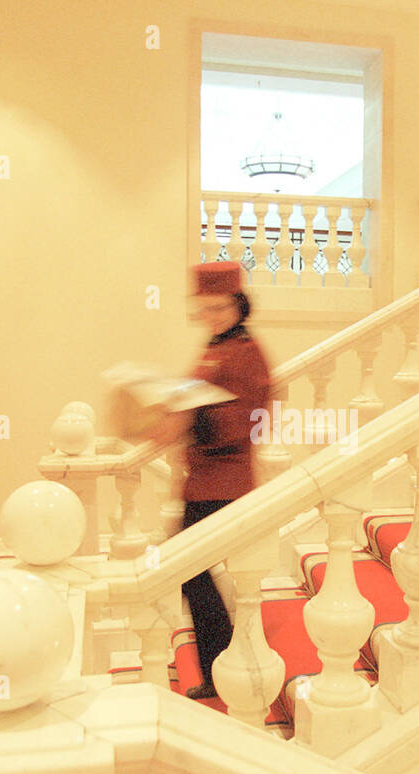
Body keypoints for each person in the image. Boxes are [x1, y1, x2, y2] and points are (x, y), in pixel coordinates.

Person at [145, 261, 272, 700]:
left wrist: (191, 421)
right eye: (205, 308)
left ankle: (222, 665)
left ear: (238, 304)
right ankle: (220, 661)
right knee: (191, 572)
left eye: (220, 307)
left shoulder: (247, 352)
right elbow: (198, 395)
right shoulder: (215, 345)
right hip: (202, 480)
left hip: (226, 481)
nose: (213, 316)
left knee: (190, 570)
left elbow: (252, 419)